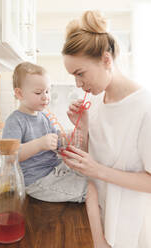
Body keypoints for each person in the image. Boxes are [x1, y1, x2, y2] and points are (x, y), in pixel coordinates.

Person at [61, 10, 151, 248]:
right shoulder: (98, 101)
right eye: (73, 76)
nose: (78, 84)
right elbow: (94, 158)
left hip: (131, 229)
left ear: (106, 60)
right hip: (100, 219)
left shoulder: (146, 108)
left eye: (80, 74)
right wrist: (83, 127)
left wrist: (97, 170)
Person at [2, 61, 87, 203]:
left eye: (47, 91)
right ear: (19, 93)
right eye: (38, 92)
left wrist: (67, 138)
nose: (45, 97)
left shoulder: (45, 116)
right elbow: (10, 156)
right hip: (36, 181)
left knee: (91, 179)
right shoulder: (15, 121)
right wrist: (39, 144)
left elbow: (57, 142)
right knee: (86, 190)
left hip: (55, 169)